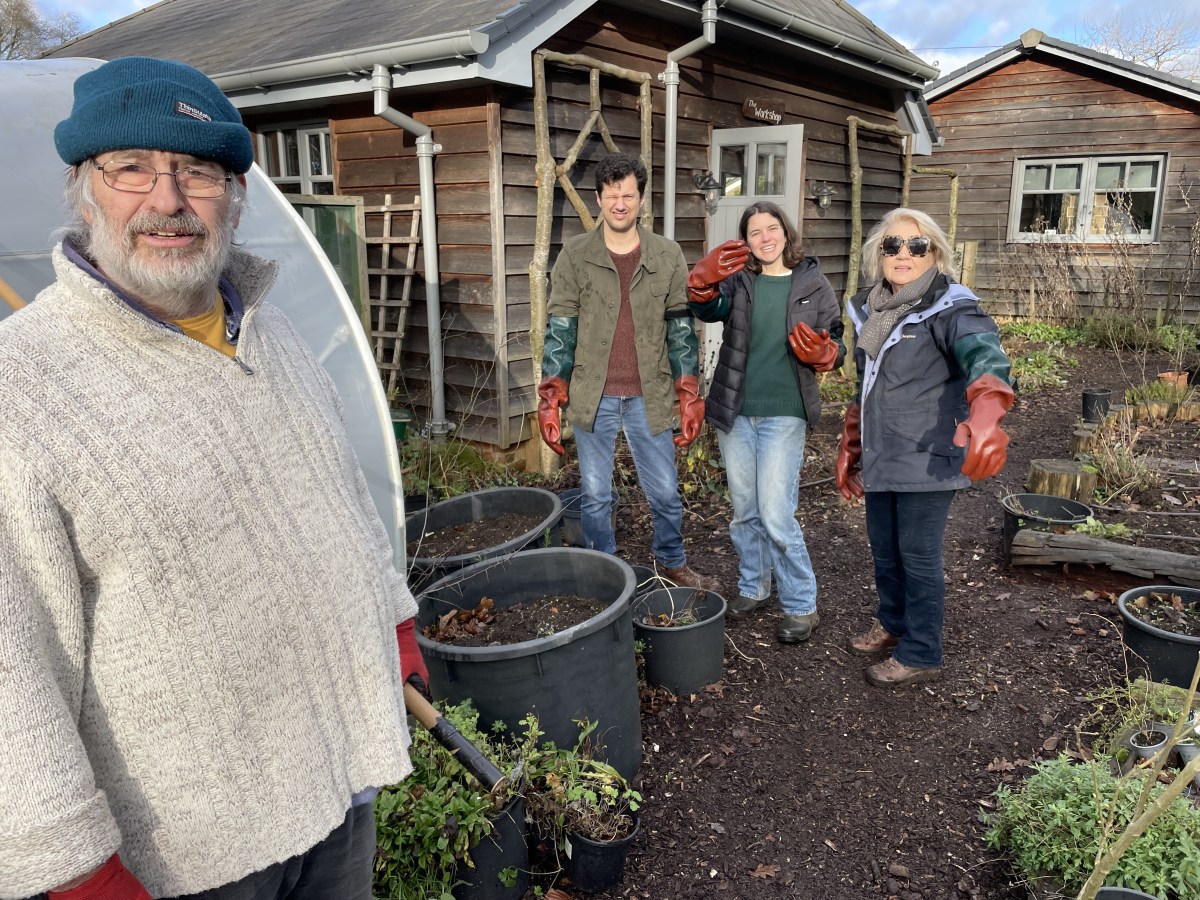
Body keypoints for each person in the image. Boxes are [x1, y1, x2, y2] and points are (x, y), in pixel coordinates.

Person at [0, 57, 428, 900]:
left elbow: (342, 500)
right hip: (190, 852)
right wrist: (74, 867)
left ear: (234, 195)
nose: (166, 199)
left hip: (337, 783)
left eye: (197, 170)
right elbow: (12, 660)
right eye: (130, 168)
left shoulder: (272, 336)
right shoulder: (23, 388)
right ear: (82, 189)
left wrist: (397, 629)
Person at [838, 208, 1014, 687]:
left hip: (928, 454)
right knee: (885, 550)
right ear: (880, 253)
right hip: (883, 451)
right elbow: (866, 384)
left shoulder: (952, 308)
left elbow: (984, 354)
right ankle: (895, 624)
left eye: (916, 246)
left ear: (934, 252)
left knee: (917, 554)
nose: (903, 254)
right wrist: (853, 438)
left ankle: (922, 649)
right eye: (892, 245)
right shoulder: (872, 309)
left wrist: (988, 409)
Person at [537, 152, 717, 591]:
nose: (620, 203)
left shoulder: (667, 254)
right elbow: (561, 325)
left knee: (666, 492)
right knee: (596, 495)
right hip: (592, 393)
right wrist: (551, 393)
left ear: (641, 200)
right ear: (599, 199)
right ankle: (606, 568)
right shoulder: (576, 255)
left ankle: (672, 560)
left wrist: (688, 390)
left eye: (629, 194)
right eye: (612, 194)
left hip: (648, 393)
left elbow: (679, 325)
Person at [686, 202, 844, 644]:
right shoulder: (738, 281)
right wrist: (700, 284)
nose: (765, 237)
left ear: (785, 232)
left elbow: (837, 341)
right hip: (735, 409)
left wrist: (828, 353)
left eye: (771, 228)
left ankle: (800, 604)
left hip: (784, 410)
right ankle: (753, 587)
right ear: (746, 241)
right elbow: (708, 309)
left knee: (776, 514)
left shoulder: (813, 282)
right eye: (755, 232)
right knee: (744, 512)